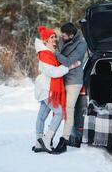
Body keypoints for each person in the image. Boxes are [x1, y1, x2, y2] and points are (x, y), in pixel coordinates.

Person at [32, 25, 80, 153]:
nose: (55, 39)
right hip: (46, 89)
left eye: (55, 37)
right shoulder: (45, 54)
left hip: (47, 89)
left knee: (42, 116)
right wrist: (70, 67)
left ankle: (38, 142)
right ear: (45, 41)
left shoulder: (49, 53)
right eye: (51, 37)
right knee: (59, 113)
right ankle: (47, 140)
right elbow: (53, 72)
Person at [53, 22, 87, 154]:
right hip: (60, 79)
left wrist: (55, 53)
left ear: (72, 35)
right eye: (61, 35)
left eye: (64, 36)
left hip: (74, 82)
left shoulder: (81, 44)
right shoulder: (63, 39)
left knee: (69, 109)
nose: (62, 38)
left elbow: (68, 61)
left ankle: (64, 141)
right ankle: (48, 138)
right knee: (57, 110)